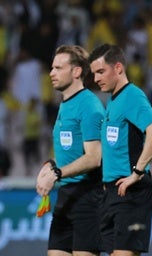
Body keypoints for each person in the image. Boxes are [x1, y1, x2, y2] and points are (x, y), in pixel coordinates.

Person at [89, 43, 152, 256]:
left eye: (101, 71)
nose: (95, 78)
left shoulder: (132, 95)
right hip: (113, 191)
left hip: (130, 191)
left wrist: (137, 172)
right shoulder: (113, 100)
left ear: (119, 68)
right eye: (94, 73)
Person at [36, 45, 105, 256]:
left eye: (58, 68)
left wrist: (56, 174)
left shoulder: (89, 106)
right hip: (66, 197)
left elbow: (94, 157)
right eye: (52, 67)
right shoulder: (66, 104)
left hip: (88, 197)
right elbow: (72, 150)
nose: (51, 73)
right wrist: (51, 165)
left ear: (76, 71)